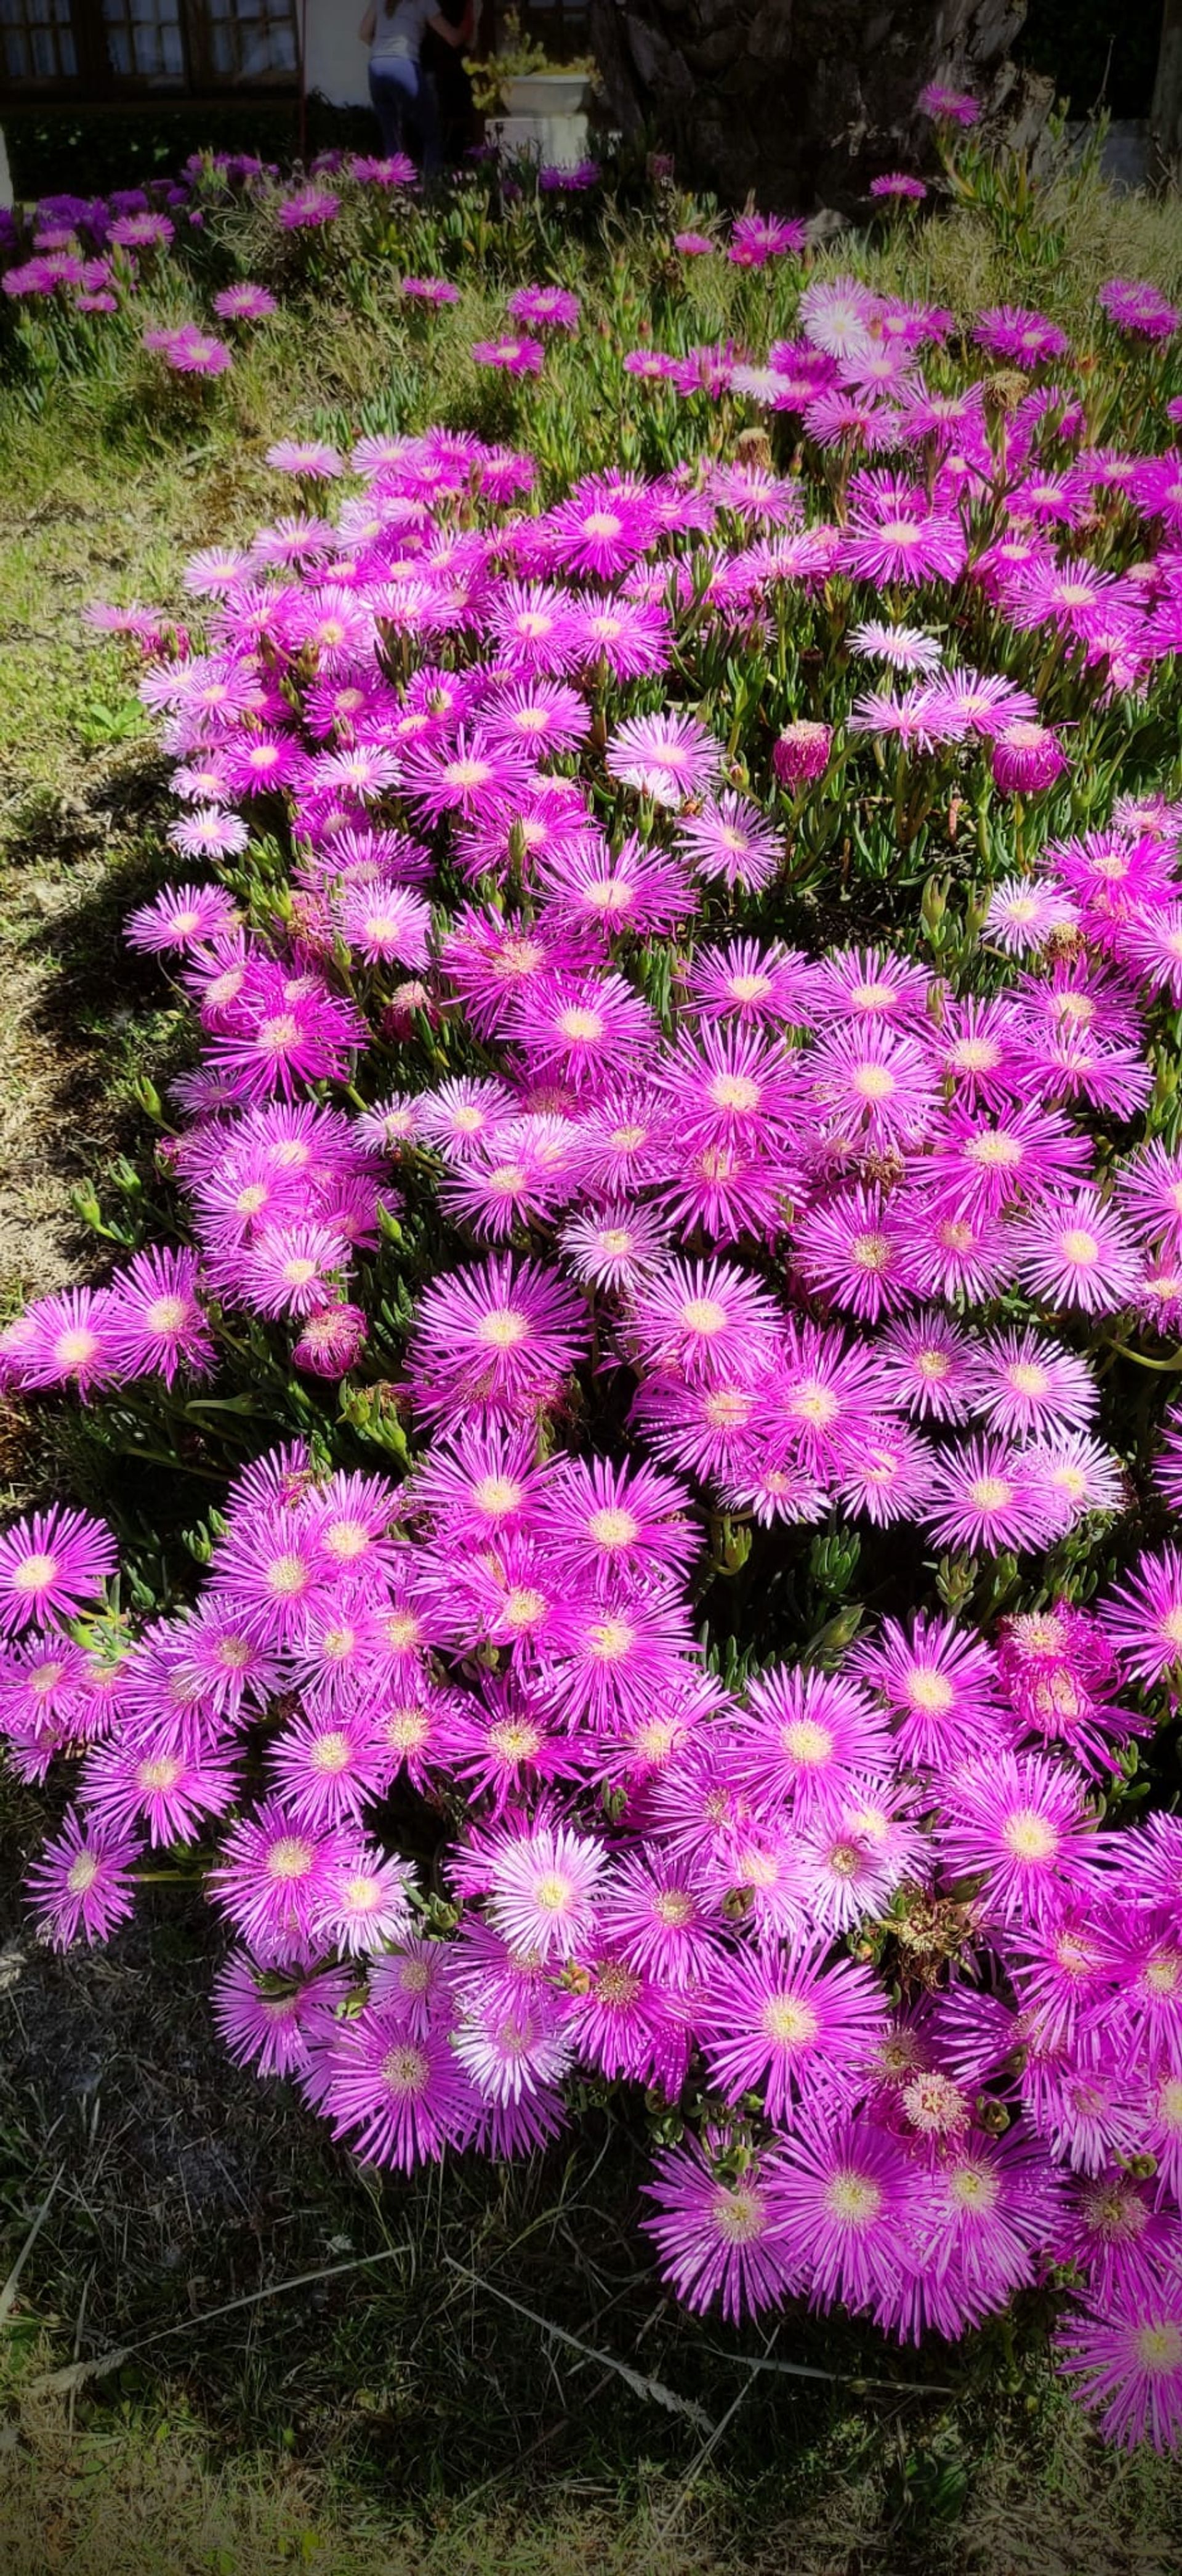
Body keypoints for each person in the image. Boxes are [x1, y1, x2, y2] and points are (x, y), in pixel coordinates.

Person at [358, 0, 475, 179]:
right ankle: (432, 191)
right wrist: (469, 17)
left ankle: (394, 194)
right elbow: (453, 39)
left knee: (391, 137)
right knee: (432, 135)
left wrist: (385, 48)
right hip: (403, 65)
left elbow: (364, 34)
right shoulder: (425, 2)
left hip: (376, 66)